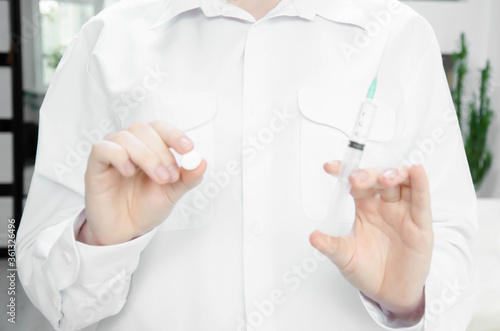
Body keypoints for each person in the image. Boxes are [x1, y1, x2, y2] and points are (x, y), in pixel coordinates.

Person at [16, 0, 478, 330]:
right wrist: (102, 242)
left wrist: (407, 299)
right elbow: (55, 301)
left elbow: (453, 257)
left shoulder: (398, 36)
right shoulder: (106, 40)